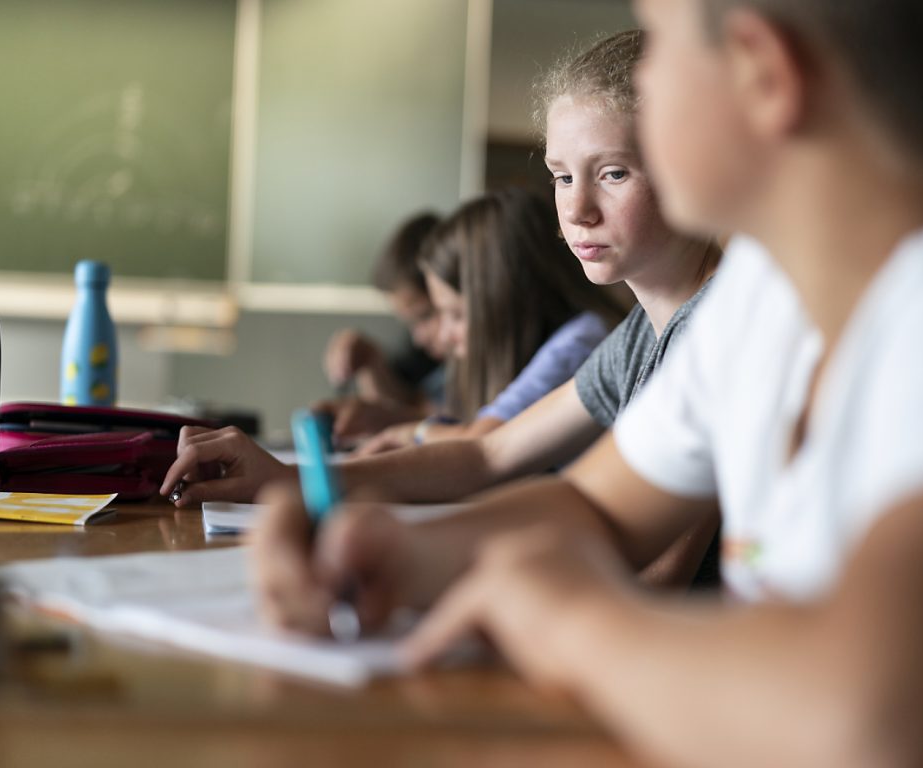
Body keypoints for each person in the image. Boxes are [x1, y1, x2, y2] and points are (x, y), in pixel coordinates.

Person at [255, 0, 923, 764]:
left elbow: (875, 717)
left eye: (660, 49)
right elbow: (596, 508)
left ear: (761, 71)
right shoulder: (762, 298)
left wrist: (571, 621)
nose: (643, 72)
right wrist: (393, 552)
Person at [165, 30, 722, 586]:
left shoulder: (721, 331)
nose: (576, 210)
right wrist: (288, 478)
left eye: (614, 173)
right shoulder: (639, 337)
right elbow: (488, 455)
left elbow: (659, 576)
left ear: (689, 166)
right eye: (562, 176)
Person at [357, 187, 626, 453]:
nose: (443, 335)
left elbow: (482, 445)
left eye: (457, 315)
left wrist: (412, 432)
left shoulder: (580, 341)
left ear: (506, 300)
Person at [316, 212, 447, 444]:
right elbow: (405, 400)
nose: (418, 338)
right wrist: (370, 362)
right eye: (409, 323)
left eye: (425, 316)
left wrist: (391, 420)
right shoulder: (421, 350)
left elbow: (463, 424)